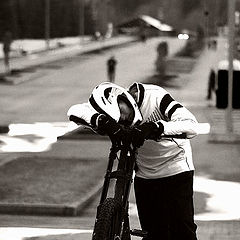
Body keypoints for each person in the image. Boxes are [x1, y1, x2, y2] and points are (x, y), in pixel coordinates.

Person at [67, 82, 199, 240]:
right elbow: (74, 111)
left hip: (176, 168)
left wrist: (156, 127)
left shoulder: (155, 96)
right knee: (153, 233)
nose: (124, 119)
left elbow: (192, 125)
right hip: (145, 175)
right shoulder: (105, 105)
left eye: (122, 112)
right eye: (119, 120)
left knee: (183, 231)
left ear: (123, 98)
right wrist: (102, 121)